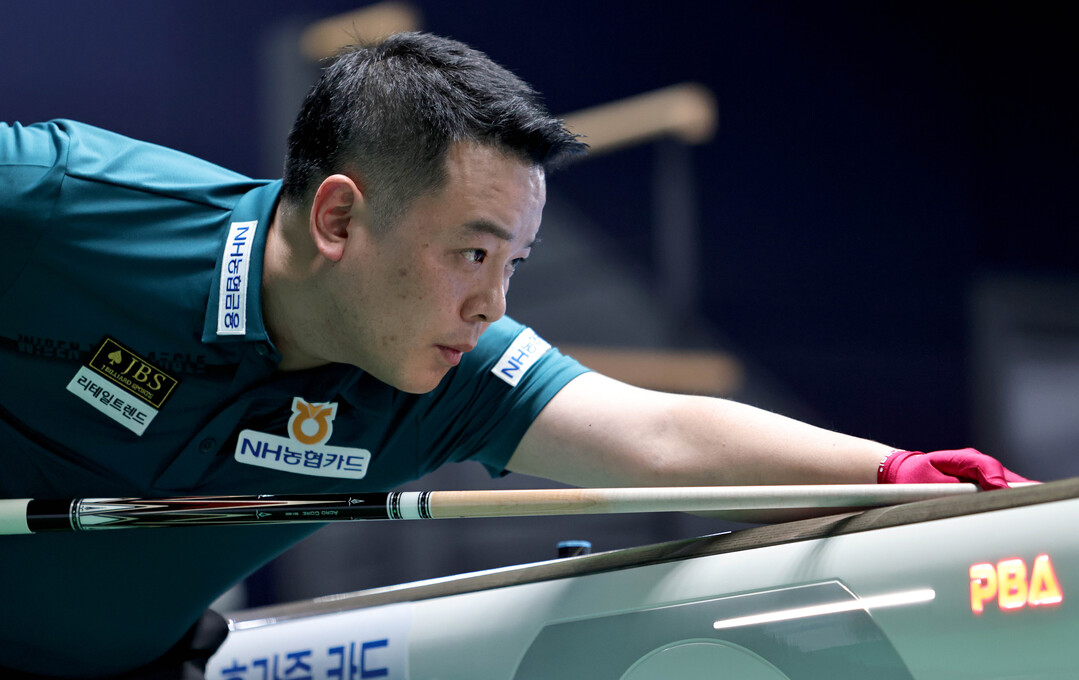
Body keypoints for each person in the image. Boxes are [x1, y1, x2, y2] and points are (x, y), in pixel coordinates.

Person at [0, 32, 1027, 679]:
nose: (492, 303)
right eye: (471, 254)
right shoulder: (59, 200)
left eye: (514, 263)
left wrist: (896, 473)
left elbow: (659, 435)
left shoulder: (446, 374)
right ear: (339, 218)